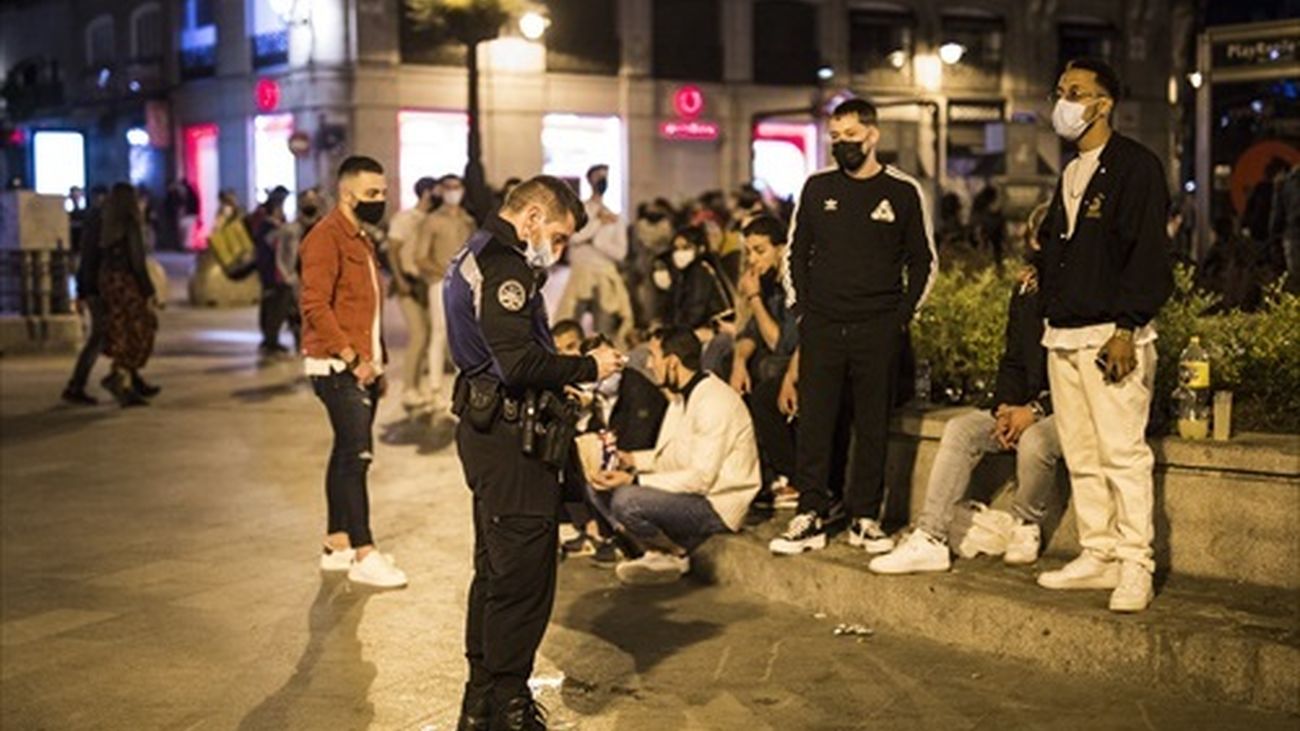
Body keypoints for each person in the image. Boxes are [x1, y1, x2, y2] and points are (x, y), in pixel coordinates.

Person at [444, 174, 623, 731]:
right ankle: (509, 708)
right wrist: (586, 367)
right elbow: (517, 362)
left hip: (490, 426)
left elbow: (506, 359)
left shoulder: (474, 252)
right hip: (508, 438)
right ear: (532, 219)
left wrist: (554, 383)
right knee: (522, 578)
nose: (560, 247)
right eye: (560, 236)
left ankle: (480, 703)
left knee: (495, 570)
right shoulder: (506, 267)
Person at [1033, 58, 1173, 613]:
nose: (1063, 100)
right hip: (1063, 333)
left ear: (1103, 103)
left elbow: (1147, 253)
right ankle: (1098, 552)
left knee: (1122, 453)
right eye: (1061, 89)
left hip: (1111, 333)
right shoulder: (1069, 171)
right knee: (1081, 452)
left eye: (1076, 92)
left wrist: (1126, 326)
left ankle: (1136, 561)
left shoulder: (1135, 167)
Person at [769, 97, 937, 556]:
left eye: (850, 137)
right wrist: (802, 310)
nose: (841, 145)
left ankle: (865, 516)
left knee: (872, 425)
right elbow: (794, 253)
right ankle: (811, 512)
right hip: (822, 326)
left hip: (877, 328)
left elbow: (924, 262)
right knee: (815, 422)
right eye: (835, 138)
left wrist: (900, 318)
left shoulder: (902, 191)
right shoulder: (816, 187)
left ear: (872, 135)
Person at [869, 212, 1063, 573]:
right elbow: (1013, 360)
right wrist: (1005, 406)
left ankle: (1026, 523)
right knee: (961, 429)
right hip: (1024, 404)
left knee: (1036, 439)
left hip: (1067, 411)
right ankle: (931, 536)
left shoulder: (1081, 293)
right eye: (1038, 238)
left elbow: (1077, 377)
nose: (1039, 247)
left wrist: (1034, 411)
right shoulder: (1026, 292)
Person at [299, 156, 408, 589]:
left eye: (382, 193)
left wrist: (375, 360)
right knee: (357, 455)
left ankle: (337, 544)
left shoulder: (361, 237)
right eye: (372, 194)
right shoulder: (325, 238)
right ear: (347, 194)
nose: (380, 200)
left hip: (360, 363)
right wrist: (352, 357)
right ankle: (364, 551)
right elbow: (315, 306)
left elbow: (369, 308)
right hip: (336, 365)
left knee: (346, 451)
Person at [591, 327, 761, 586]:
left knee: (627, 499)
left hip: (717, 503)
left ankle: (673, 554)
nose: (649, 364)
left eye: (653, 356)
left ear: (672, 362)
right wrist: (630, 460)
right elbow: (670, 458)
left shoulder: (713, 401)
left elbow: (701, 479)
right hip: (693, 495)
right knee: (597, 486)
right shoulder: (682, 398)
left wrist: (634, 482)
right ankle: (654, 551)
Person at [728, 215, 800, 506]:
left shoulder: (794, 283)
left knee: (766, 378)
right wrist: (738, 364)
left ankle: (790, 475)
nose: (752, 259)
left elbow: (781, 344)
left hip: (801, 362)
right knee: (725, 360)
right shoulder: (767, 280)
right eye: (748, 252)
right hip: (778, 363)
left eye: (760, 250)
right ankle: (755, 474)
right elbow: (749, 333)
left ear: (781, 248)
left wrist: (755, 299)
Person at [97, 183, 161, 407]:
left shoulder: (108, 224)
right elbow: (137, 261)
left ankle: (127, 379)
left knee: (122, 330)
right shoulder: (130, 224)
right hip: (126, 282)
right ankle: (118, 378)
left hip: (110, 281)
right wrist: (149, 290)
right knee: (141, 328)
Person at [417, 173, 477, 413]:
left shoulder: (468, 220)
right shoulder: (432, 220)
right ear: (441, 191)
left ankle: (464, 387)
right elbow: (421, 257)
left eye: (457, 187)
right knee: (439, 334)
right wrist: (446, 272)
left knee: (465, 336)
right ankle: (434, 389)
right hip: (439, 283)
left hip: (467, 285)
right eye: (449, 187)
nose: (454, 191)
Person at [555, 164, 634, 343]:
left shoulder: (615, 217)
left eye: (605, 176)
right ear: (590, 179)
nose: (602, 181)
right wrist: (597, 224)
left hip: (604, 275)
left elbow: (620, 253)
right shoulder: (579, 210)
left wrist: (595, 242)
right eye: (598, 176)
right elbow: (574, 238)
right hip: (580, 275)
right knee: (569, 324)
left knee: (604, 330)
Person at [385, 176, 438, 412]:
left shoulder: (433, 220)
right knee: (418, 334)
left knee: (428, 335)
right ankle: (408, 389)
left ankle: (417, 386)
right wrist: (398, 279)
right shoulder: (405, 219)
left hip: (427, 284)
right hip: (408, 282)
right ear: (426, 192)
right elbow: (393, 251)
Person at [62, 185, 108, 405]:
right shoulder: (99, 222)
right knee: (99, 336)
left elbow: (85, 262)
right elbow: (90, 262)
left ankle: (125, 377)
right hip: (97, 289)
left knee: (105, 334)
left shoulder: (92, 221)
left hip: (91, 287)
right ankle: (76, 384)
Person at [275, 187, 324, 352]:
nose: (310, 204)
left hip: (321, 278)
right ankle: (301, 344)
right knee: (298, 314)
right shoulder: (290, 229)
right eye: (307, 201)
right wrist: (287, 276)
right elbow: (281, 254)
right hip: (299, 278)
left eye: (313, 201)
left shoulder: (325, 227)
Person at [662, 224, 734, 331]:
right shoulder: (684, 273)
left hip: (715, 329)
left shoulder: (701, 270)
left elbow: (695, 312)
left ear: (701, 248)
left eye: (686, 248)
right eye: (676, 249)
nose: (679, 253)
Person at [252, 186, 293, 358]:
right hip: (272, 273)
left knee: (273, 305)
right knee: (275, 306)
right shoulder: (269, 227)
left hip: (271, 272)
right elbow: (275, 248)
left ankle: (271, 340)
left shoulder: (269, 225)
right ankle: (270, 341)